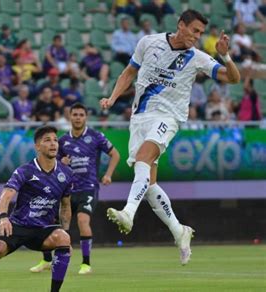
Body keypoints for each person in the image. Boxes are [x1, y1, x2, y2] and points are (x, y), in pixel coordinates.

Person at [100, 9, 240, 265]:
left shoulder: (197, 58)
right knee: (149, 184)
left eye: (200, 33)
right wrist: (112, 97)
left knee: (144, 159)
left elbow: (233, 78)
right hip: (139, 118)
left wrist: (225, 55)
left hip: (168, 118)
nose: (197, 37)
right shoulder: (148, 42)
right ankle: (179, 231)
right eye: (194, 30)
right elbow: (128, 73)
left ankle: (128, 213)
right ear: (181, 25)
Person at [0, 125, 73, 292]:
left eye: (55, 140)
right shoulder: (25, 171)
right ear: (37, 146)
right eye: (47, 140)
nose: (53, 144)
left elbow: (66, 206)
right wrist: (3, 217)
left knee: (63, 239)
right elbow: (6, 196)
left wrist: (66, 232)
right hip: (18, 225)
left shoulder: (66, 173)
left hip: (43, 230)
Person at [30, 103, 120, 275]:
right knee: (49, 221)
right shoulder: (62, 141)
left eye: (81, 115)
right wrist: (61, 163)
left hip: (88, 187)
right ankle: (47, 260)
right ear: (69, 117)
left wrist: (108, 174)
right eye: (75, 114)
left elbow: (115, 154)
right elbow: (51, 163)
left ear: (86, 117)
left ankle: (86, 264)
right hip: (67, 189)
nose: (78, 117)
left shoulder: (95, 136)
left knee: (82, 220)